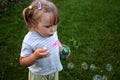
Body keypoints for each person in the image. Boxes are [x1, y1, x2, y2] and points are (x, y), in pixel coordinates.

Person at [20, 0, 70, 80]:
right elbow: (22, 61)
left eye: (55, 24)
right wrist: (34, 56)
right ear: (33, 23)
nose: (53, 29)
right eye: (48, 26)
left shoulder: (52, 32)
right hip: (39, 74)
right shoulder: (29, 40)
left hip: (53, 70)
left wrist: (61, 48)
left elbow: (55, 40)